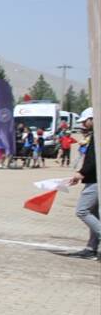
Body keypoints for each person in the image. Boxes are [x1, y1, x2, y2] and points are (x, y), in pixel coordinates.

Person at [67, 108, 99, 260]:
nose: (84, 125)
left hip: (95, 180)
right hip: (93, 178)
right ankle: (91, 248)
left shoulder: (98, 135)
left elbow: (94, 159)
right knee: (94, 214)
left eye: (85, 121)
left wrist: (81, 173)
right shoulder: (95, 134)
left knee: (82, 211)